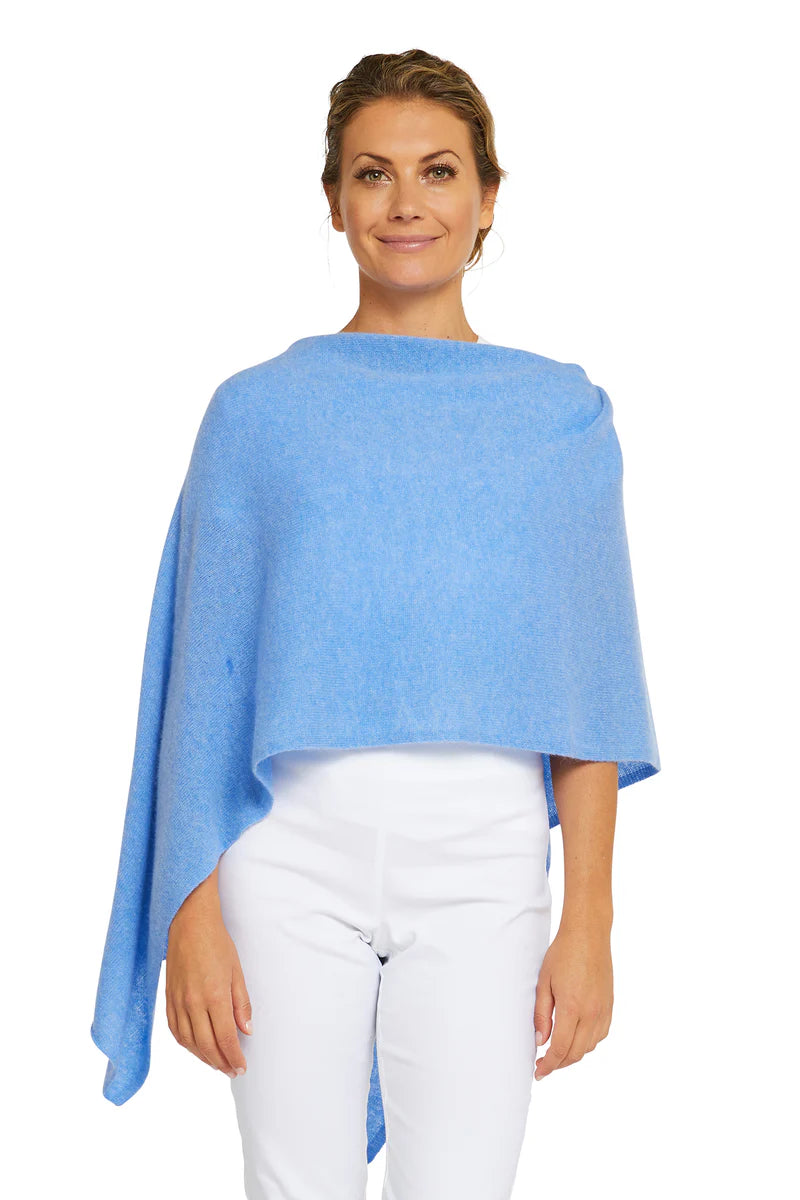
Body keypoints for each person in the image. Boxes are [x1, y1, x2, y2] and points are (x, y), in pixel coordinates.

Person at [92, 48, 660, 1200]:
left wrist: (589, 922)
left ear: (487, 196)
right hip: (285, 852)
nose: (406, 203)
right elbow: (201, 685)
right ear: (333, 200)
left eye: (438, 171)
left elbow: (588, 689)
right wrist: (191, 915)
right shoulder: (257, 415)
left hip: (485, 853)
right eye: (372, 173)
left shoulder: (558, 417)